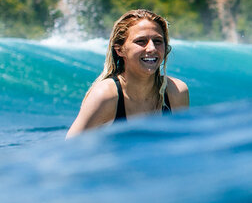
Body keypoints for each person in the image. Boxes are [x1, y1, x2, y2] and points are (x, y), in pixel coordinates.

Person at [67, 9, 190, 137]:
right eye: (141, 41)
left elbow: (182, 146)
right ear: (119, 49)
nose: (152, 48)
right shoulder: (106, 96)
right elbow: (70, 148)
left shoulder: (176, 92)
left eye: (157, 41)